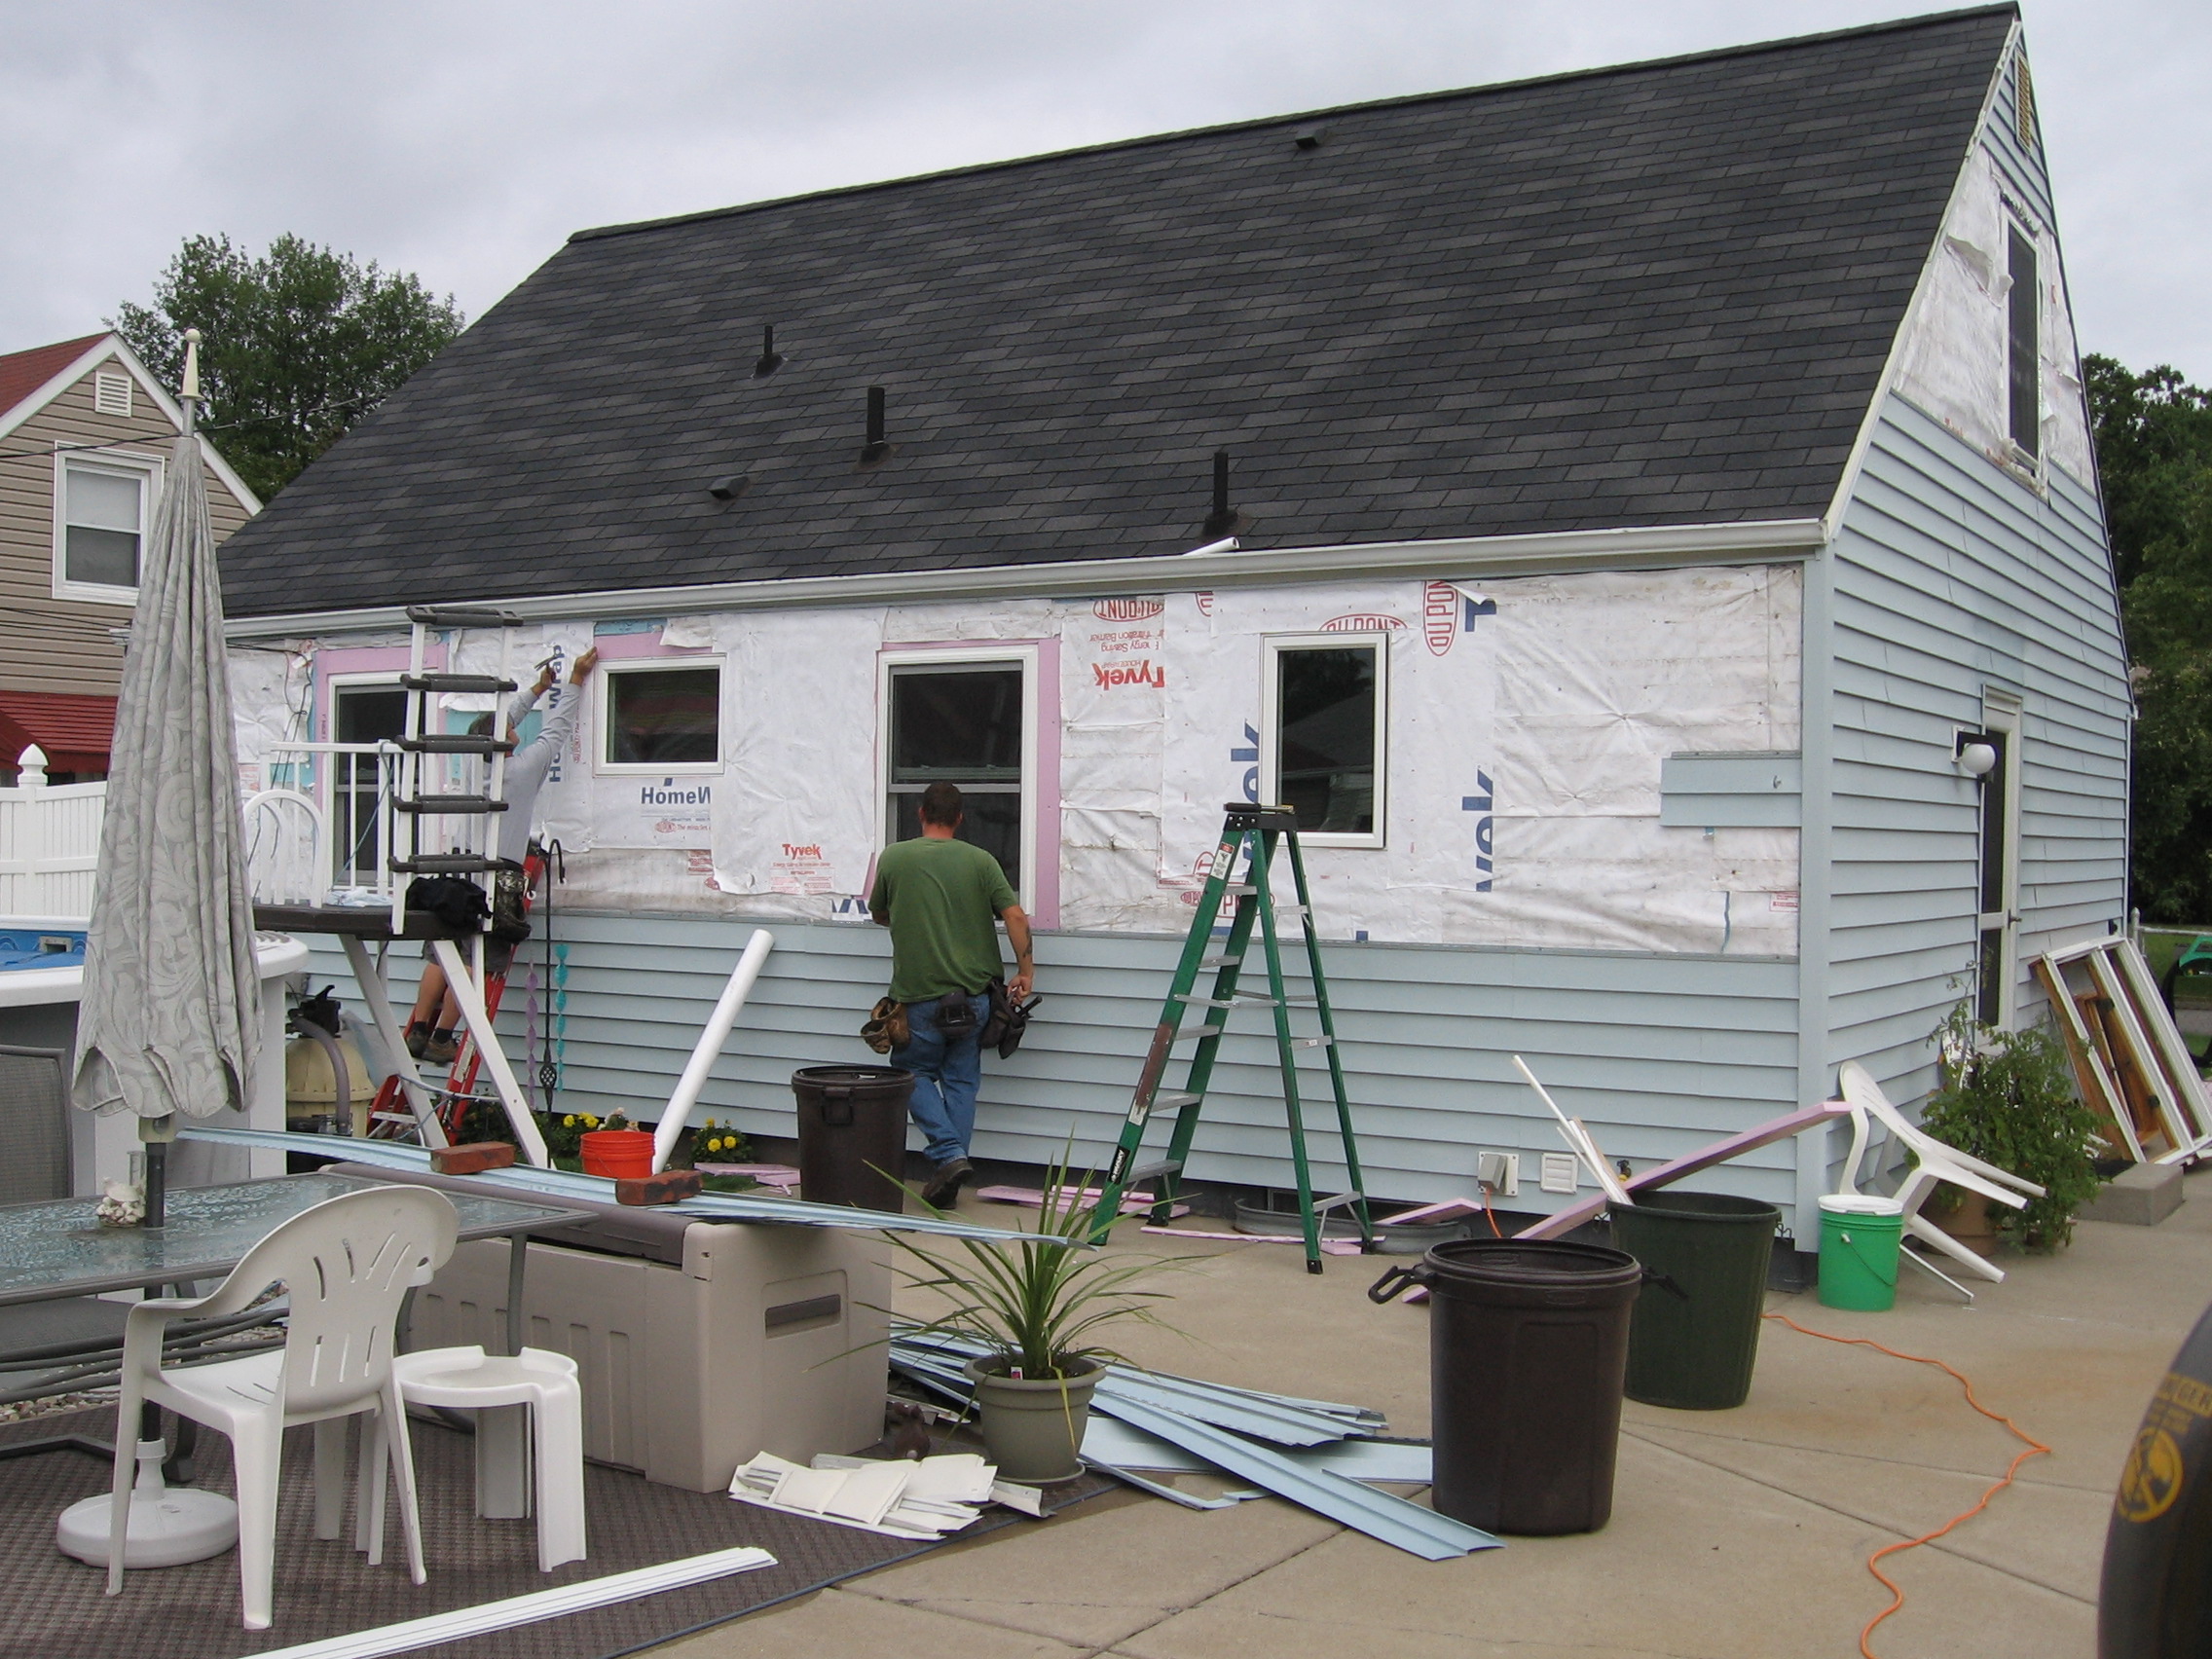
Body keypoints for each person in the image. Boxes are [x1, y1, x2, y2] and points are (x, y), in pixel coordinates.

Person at [407, 645, 600, 1062]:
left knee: (442, 956)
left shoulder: (474, 765)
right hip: (492, 882)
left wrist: (535, 690)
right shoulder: (521, 771)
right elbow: (557, 731)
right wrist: (576, 681)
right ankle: (442, 1038)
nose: (516, 730)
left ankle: (417, 1030)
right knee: (476, 961)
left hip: (453, 874)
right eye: (512, 731)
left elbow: (498, 724)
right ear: (506, 744)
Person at [868, 781, 1034, 1205]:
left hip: (920, 995)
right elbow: (1013, 913)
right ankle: (950, 1173)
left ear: (921, 813)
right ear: (960, 818)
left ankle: (948, 1154)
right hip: (976, 996)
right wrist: (1026, 970)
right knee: (961, 1082)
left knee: (913, 1073)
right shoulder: (981, 861)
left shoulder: (894, 857)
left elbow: (881, 914)